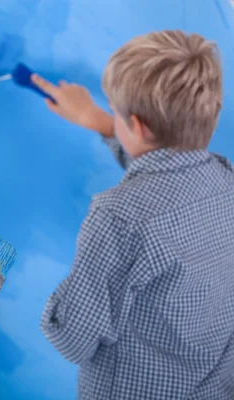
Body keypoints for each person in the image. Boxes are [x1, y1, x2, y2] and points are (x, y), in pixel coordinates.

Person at [36, 30, 234, 399]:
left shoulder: (117, 218)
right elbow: (172, 176)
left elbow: (72, 338)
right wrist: (106, 123)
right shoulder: (226, 180)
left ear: (138, 126)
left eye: (116, 111)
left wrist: (65, 301)